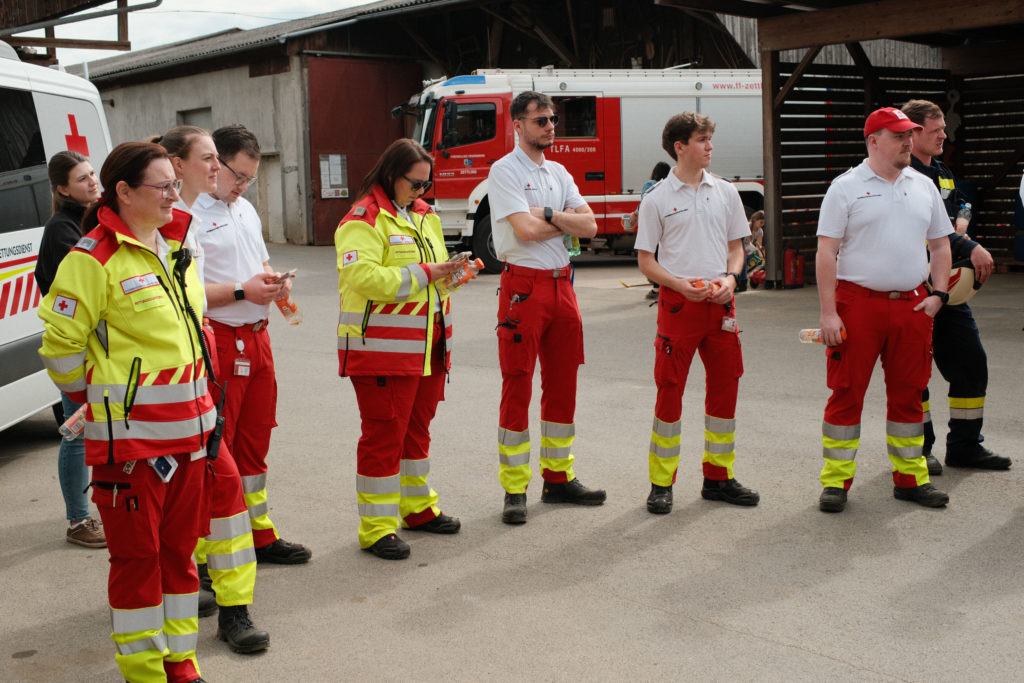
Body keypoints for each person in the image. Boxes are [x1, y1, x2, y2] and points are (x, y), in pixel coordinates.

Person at [38, 141, 215, 683]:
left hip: (191, 436)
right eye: (162, 186)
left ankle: (180, 661)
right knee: (138, 562)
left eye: (174, 185)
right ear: (123, 191)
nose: (173, 195)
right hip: (131, 446)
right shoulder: (91, 259)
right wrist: (98, 404)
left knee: (181, 555)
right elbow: (61, 350)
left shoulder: (175, 247)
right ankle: (144, 672)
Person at [157, 126, 269, 653]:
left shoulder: (186, 227)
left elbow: (191, 303)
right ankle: (180, 604)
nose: (222, 173)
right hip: (163, 395)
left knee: (226, 483)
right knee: (175, 506)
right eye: (212, 160)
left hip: (201, 376)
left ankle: (233, 608)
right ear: (178, 167)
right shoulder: (141, 237)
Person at [815, 107, 953, 513]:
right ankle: (836, 482)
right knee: (846, 393)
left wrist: (939, 294)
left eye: (910, 134)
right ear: (873, 141)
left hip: (912, 306)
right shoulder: (846, 187)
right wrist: (828, 313)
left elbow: (942, 244)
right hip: (858, 305)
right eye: (898, 136)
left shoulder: (923, 185)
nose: (909, 141)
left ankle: (911, 479)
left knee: (910, 394)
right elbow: (827, 251)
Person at [334, 138, 462, 560]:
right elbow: (365, 278)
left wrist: (453, 275)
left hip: (427, 347)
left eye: (428, 185)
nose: (422, 192)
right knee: (384, 437)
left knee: (416, 432)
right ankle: (376, 529)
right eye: (415, 184)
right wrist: (428, 272)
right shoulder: (363, 220)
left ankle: (418, 509)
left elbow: (432, 277)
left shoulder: (425, 216)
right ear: (391, 175)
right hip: (383, 350)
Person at [190, 125, 312, 566]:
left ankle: (258, 532)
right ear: (212, 163)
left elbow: (257, 262)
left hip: (257, 338)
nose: (241, 186)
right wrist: (243, 292)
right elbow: (190, 292)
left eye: (249, 179)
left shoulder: (242, 210)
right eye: (236, 176)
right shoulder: (190, 216)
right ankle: (207, 552)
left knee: (256, 441)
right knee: (219, 446)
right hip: (221, 338)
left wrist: (273, 283)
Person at [487, 91, 606, 525]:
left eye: (552, 118)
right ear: (517, 125)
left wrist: (550, 213)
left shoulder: (558, 172)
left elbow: (591, 226)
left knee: (563, 384)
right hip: (524, 289)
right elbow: (525, 230)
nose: (550, 126)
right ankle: (514, 488)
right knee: (517, 384)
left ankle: (558, 478)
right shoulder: (504, 171)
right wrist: (559, 221)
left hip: (562, 288)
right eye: (540, 120)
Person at [635, 111, 758, 515]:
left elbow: (736, 248)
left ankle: (718, 479)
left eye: (710, 139)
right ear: (680, 147)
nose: (710, 146)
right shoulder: (657, 199)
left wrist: (731, 278)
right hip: (679, 305)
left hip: (721, 304)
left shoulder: (725, 191)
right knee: (670, 392)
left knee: (726, 387)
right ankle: (661, 483)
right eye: (702, 139)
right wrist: (677, 284)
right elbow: (646, 262)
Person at [901, 99, 1008, 475]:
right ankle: (918, 451)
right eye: (936, 130)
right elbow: (932, 229)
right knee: (915, 374)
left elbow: (955, 213)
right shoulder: (903, 175)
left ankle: (964, 447)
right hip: (914, 292)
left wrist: (964, 228)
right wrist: (970, 245)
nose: (945, 135)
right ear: (912, 134)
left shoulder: (942, 171)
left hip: (947, 290)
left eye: (943, 128)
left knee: (971, 364)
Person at [34, 150, 106, 549]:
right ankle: (78, 521)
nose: (93, 182)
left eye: (93, 174)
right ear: (62, 189)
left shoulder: (86, 220)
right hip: (76, 350)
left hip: (101, 349)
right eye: (82, 179)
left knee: (93, 429)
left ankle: (96, 507)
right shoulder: (62, 230)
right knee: (77, 434)